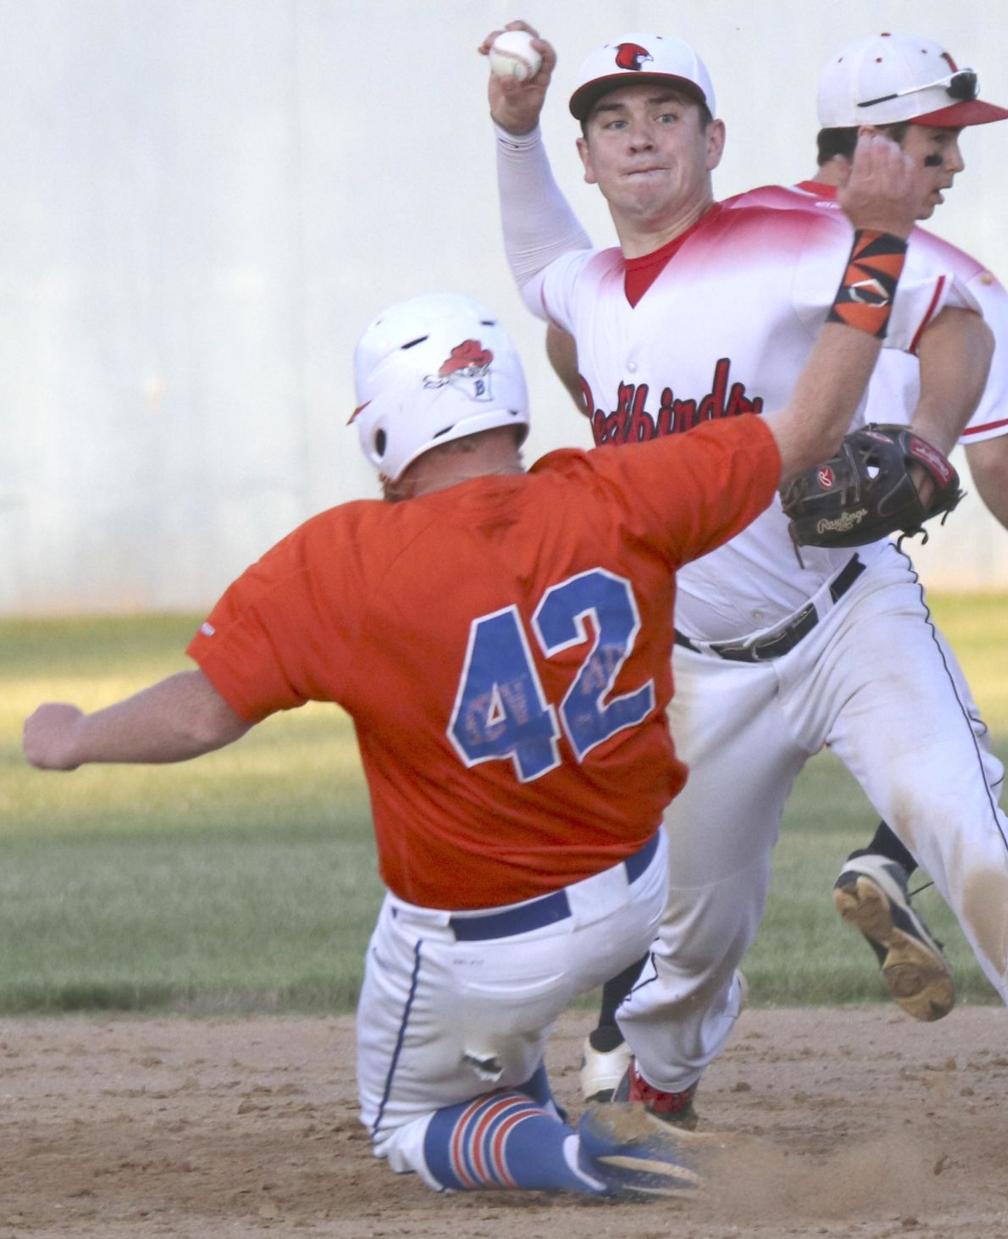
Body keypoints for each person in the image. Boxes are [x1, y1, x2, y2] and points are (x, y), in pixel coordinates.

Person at [21, 134, 930, 1199]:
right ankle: (552, 1086)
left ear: (386, 430)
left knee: (406, 1121)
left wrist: (76, 737)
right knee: (505, 1021)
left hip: (480, 938)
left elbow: (201, 716)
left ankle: (584, 1159)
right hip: (637, 895)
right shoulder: (623, 492)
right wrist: (880, 236)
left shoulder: (341, 560)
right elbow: (815, 416)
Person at [482, 22, 1008, 1158]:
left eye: (666, 116)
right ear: (589, 159)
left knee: (965, 826)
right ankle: (659, 1078)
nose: (640, 137)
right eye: (612, 121)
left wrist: (933, 446)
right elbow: (539, 267)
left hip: (849, 617)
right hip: (700, 659)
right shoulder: (587, 287)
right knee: (696, 929)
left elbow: (954, 318)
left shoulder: (789, 236)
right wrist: (512, 135)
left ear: (714, 141)